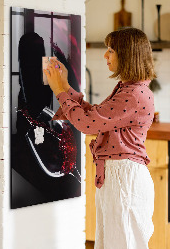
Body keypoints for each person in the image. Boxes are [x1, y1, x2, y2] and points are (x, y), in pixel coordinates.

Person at [43, 27, 156, 249]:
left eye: (111, 50)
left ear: (127, 54)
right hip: (118, 176)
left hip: (124, 178)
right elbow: (95, 116)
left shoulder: (133, 94)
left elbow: (87, 124)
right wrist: (65, 87)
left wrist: (59, 91)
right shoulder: (129, 89)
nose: (105, 55)